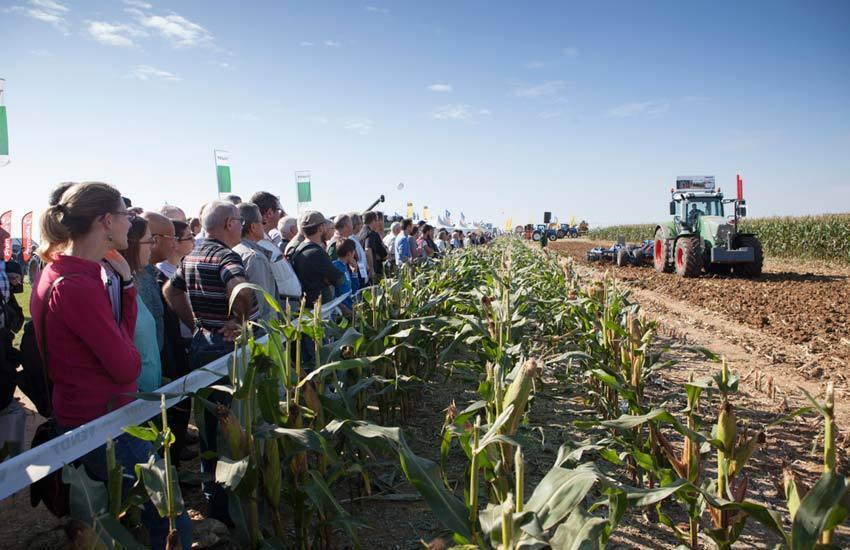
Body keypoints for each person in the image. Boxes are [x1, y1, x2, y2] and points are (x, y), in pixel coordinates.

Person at [31, 182, 192, 549]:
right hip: (105, 425)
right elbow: (126, 367)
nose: (129, 223)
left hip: (83, 416)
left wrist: (126, 285)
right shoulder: (77, 285)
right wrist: (128, 294)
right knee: (172, 518)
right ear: (105, 221)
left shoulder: (59, 272)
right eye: (124, 215)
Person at [163, 200, 259, 523]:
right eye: (239, 222)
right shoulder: (225, 257)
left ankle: (212, 497)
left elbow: (170, 291)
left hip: (201, 344)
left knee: (207, 425)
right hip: (225, 349)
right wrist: (237, 319)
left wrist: (195, 323)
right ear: (229, 223)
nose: (241, 227)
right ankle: (229, 503)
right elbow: (241, 290)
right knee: (229, 424)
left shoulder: (191, 256)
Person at [118, 216, 161, 393]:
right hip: (134, 398)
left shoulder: (133, 280)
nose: (153, 246)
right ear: (132, 244)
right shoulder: (117, 287)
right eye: (149, 240)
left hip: (149, 392)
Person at [233, 203, 279, 321]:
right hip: (260, 334)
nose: (264, 227)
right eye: (262, 222)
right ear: (253, 227)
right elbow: (263, 305)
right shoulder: (254, 257)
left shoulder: (234, 249)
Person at [290, 211, 345, 308]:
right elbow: (339, 279)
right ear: (320, 228)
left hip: (307, 307)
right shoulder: (316, 252)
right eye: (325, 226)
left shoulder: (298, 249)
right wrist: (326, 281)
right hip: (319, 310)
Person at [139, 212, 176, 353]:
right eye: (172, 237)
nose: (174, 243)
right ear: (154, 239)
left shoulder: (152, 274)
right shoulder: (140, 281)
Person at [331, 239, 359, 317]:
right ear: (349, 254)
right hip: (341, 311)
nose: (355, 254)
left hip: (349, 307)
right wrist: (342, 306)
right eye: (354, 252)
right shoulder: (335, 267)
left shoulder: (345, 266)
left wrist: (355, 272)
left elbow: (354, 290)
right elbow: (333, 292)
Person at [362, 211, 387, 282]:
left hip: (363, 270)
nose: (378, 223)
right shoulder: (371, 233)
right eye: (376, 220)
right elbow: (367, 249)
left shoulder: (361, 233)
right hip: (371, 271)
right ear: (373, 221)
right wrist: (371, 269)